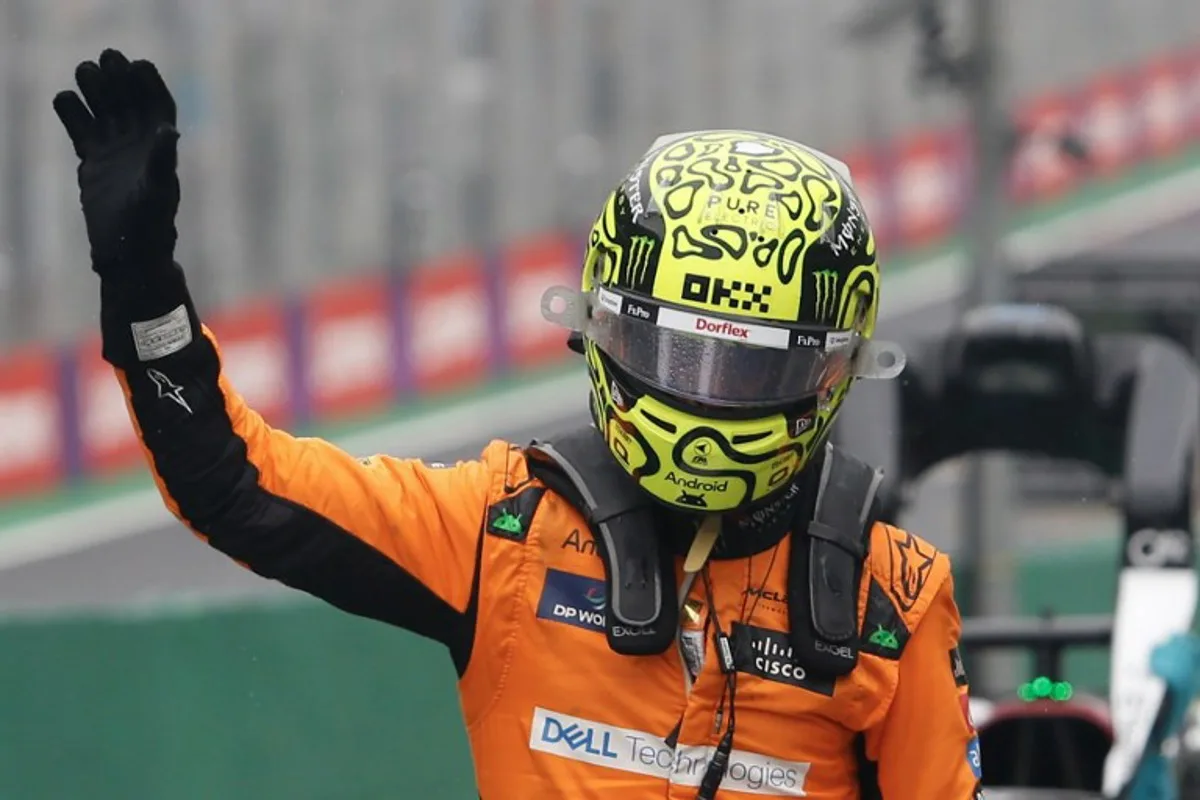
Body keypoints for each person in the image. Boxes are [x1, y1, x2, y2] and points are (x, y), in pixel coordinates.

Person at [53, 49, 984, 799]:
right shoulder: (507, 532)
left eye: (744, 365)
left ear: (830, 372)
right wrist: (143, 286)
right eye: (674, 356)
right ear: (601, 331)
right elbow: (235, 485)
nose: (702, 401)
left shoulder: (892, 597)